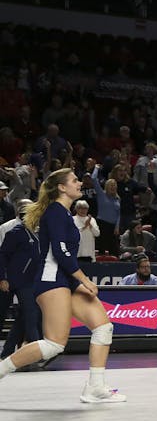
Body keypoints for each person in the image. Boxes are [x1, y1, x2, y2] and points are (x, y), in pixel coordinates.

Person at [0, 168, 125, 402]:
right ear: (62, 187)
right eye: (75, 180)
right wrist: (85, 280)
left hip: (64, 279)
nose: (79, 183)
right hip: (51, 279)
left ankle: (95, 388)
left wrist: (77, 282)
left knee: (103, 328)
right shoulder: (55, 212)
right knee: (54, 344)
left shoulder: (63, 213)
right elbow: (61, 253)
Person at [0, 200, 41, 361]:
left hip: (31, 280)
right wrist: (3, 278)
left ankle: (7, 352)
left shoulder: (37, 234)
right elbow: (2, 255)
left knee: (24, 316)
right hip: (18, 280)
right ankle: (38, 351)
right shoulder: (15, 233)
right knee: (31, 314)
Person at [91, 164, 120, 257]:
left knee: (115, 250)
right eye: (111, 185)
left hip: (113, 227)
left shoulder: (117, 199)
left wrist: (117, 226)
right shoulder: (101, 194)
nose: (113, 187)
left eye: (114, 185)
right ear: (107, 186)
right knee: (102, 250)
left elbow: (118, 214)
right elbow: (93, 179)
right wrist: (96, 168)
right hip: (102, 225)